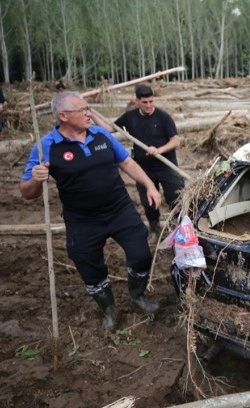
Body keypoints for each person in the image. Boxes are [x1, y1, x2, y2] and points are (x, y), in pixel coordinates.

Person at [19, 91, 162, 332]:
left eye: (89, 108)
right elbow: (26, 192)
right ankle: (108, 309)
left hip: (119, 210)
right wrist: (35, 179)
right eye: (83, 110)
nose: (89, 114)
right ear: (63, 116)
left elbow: (126, 162)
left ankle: (137, 295)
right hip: (82, 220)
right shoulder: (46, 148)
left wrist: (149, 186)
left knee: (141, 255)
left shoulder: (101, 135)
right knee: (90, 269)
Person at [103, 85, 184, 242]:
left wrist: (160, 150)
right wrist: (91, 114)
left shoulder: (163, 117)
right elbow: (108, 128)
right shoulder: (130, 117)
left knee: (176, 198)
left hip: (166, 166)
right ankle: (154, 229)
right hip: (144, 169)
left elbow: (176, 140)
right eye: (145, 102)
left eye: (151, 101)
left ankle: (179, 229)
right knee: (149, 202)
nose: (148, 106)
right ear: (137, 101)